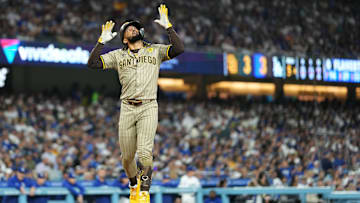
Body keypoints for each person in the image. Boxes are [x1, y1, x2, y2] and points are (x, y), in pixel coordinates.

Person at [87, 3, 184, 203]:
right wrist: (101, 42)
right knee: (127, 157)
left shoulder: (155, 50)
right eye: (128, 27)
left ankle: (144, 193)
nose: (132, 27)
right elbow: (93, 63)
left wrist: (168, 27)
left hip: (149, 105)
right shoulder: (118, 55)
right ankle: (133, 185)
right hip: (127, 107)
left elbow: (179, 49)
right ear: (123, 37)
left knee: (145, 153)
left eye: (135, 26)